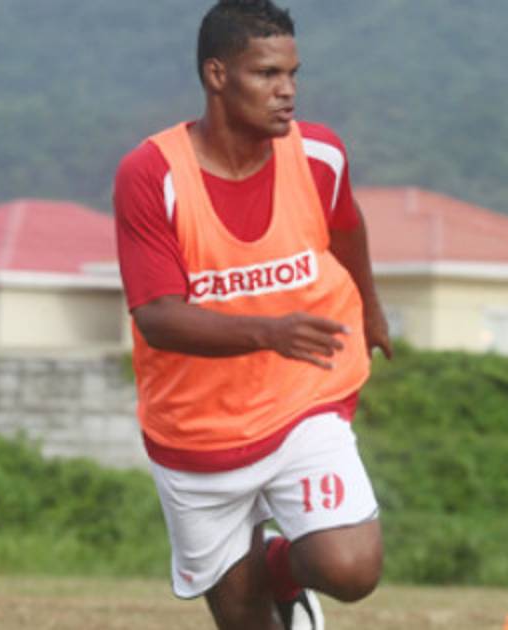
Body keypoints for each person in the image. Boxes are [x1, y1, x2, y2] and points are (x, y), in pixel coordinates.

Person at [112, 1, 391, 628]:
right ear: (217, 75)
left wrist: (371, 310)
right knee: (244, 619)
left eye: (292, 74)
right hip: (196, 427)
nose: (287, 91)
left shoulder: (320, 154)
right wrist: (269, 331)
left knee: (351, 567)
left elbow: (346, 229)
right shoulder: (151, 174)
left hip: (303, 395)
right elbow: (157, 317)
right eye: (267, 74)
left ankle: (284, 573)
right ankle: (265, 579)